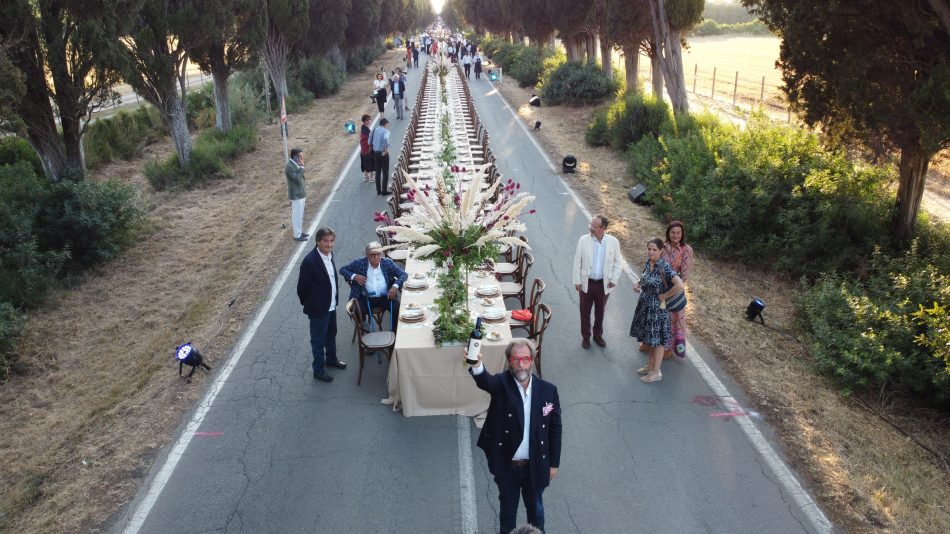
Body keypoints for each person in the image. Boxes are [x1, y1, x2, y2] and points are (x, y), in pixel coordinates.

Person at [468, 340, 562, 534]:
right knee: (508, 512)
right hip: (507, 465)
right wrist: (476, 365)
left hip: (536, 464)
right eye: (516, 359)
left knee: (536, 510)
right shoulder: (502, 384)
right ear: (509, 361)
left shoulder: (548, 390)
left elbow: (555, 429)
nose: (521, 364)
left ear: (532, 360)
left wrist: (554, 464)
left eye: (525, 359)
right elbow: (486, 381)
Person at [630, 237, 685, 383]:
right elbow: (644, 279)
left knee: (658, 341)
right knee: (650, 339)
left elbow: (679, 285)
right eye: (649, 249)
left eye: (654, 250)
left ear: (661, 251)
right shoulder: (649, 263)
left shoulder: (664, 267)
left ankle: (656, 373)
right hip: (646, 306)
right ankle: (650, 365)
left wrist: (665, 296)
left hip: (657, 310)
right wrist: (637, 284)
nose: (651, 252)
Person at [297, 227, 348, 383]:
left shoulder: (329, 255)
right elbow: (302, 288)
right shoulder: (310, 261)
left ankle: (331, 359)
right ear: (318, 241)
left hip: (331, 305)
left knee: (331, 334)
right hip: (318, 309)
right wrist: (312, 304)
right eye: (325, 241)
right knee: (318, 340)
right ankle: (318, 369)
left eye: (331, 241)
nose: (329, 244)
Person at [572, 215, 624, 349]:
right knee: (584, 312)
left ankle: (597, 335)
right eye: (590, 224)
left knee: (600, 311)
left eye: (594, 226)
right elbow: (578, 262)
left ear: (603, 228)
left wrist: (614, 279)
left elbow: (618, 262)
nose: (590, 227)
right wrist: (577, 281)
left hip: (603, 284)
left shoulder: (613, 242)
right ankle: (586, 337)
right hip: (586, 283)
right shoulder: (583, 240)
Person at [339, 241, 408, 331]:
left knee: (397, 308)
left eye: (378, 254)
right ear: (367, 255)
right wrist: (354, 276)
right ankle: (365, 329)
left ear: (381, 254)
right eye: (372, 255)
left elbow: (403, 274)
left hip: (385, 296)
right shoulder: (359, 263)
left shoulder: (387, 263)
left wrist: (395, 286)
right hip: (366, 297)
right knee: (355, 310)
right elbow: (342, 269)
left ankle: (395, 331)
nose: (376, 257)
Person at [660, 221, 693, 360]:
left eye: (678, 233)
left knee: (672, 319)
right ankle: (651, 343)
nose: (675, 235)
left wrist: (672, 284)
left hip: (674, 289)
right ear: (668, 233)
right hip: (659, 287)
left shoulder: (686, 250)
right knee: (657, 316)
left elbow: (684, 275)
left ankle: (668, 348)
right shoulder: (662, 246)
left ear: (682, 234)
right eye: (673, 232)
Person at [284, 147, 308, 242]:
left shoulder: (295, 164)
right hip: (296, 194)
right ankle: (297, 235)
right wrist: (302, 167)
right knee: (296, 215)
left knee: (300, 214)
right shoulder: (289, 167)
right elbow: (297, 178)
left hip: (300, 193)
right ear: (294, 157)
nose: (302, 158)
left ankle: (300, 231)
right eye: (300, 156)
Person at [370, 118, 391, 196]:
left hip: (375, 153)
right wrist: (386, 148)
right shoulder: (386, 131)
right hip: (383, 153)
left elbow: (369, 141)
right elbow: (385, 138)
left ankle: (378, 190)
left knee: (378, 172)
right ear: (385, 124)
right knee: (385, 172)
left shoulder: (374, 130)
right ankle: (384, 191)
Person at [358, 114, 374, 182]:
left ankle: (365, 176)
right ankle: (371, 177)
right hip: (367, 150)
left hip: (363, 150)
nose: (369, 121)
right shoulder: (366, 131)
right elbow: (368, 140)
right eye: (367, 120)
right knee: (370, 163)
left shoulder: (363, 128)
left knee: (364, 163)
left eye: (369, 119)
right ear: (364, 121)